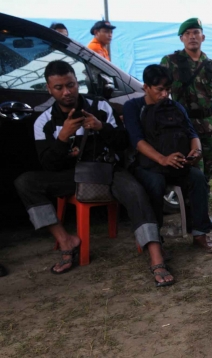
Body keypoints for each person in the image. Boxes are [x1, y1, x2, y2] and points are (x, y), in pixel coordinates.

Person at [14, 60, 174, 286]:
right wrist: (63, 138)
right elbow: (48, 164)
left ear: (77, 83)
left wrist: (102, 128)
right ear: (49, 89)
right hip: (72, 176)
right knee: (26, 182)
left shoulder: (100, 106)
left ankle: (156, 256)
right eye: (59, 88)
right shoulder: (44, 122)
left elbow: (122, 144)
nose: (67, 92)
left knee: (136, 192)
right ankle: (66, 241)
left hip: (107, 171)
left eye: (71, 85)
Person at [124, 64, 212, 254]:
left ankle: (200, 233)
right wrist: (162, 159)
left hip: (176, 164)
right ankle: (155, 239)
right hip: (148, 165)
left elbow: (193, 134)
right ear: (146, 87)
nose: (165, 94)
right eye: (160, 89)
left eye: (168, 90)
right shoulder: (133, 107)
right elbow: (137, 141)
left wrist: (195, 153)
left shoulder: (175, 107)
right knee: (155, 183)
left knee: (198, 178)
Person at [161, 18, 212, 183]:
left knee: (209, 169)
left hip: (208, 126)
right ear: (181, 38)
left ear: (203, 37)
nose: (192, 37)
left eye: (196, 32)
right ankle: (190, 201)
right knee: (188, 167)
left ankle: (203, 197)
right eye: (187, 33)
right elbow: (159, 92)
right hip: (183, 126)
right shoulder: (170, 62)